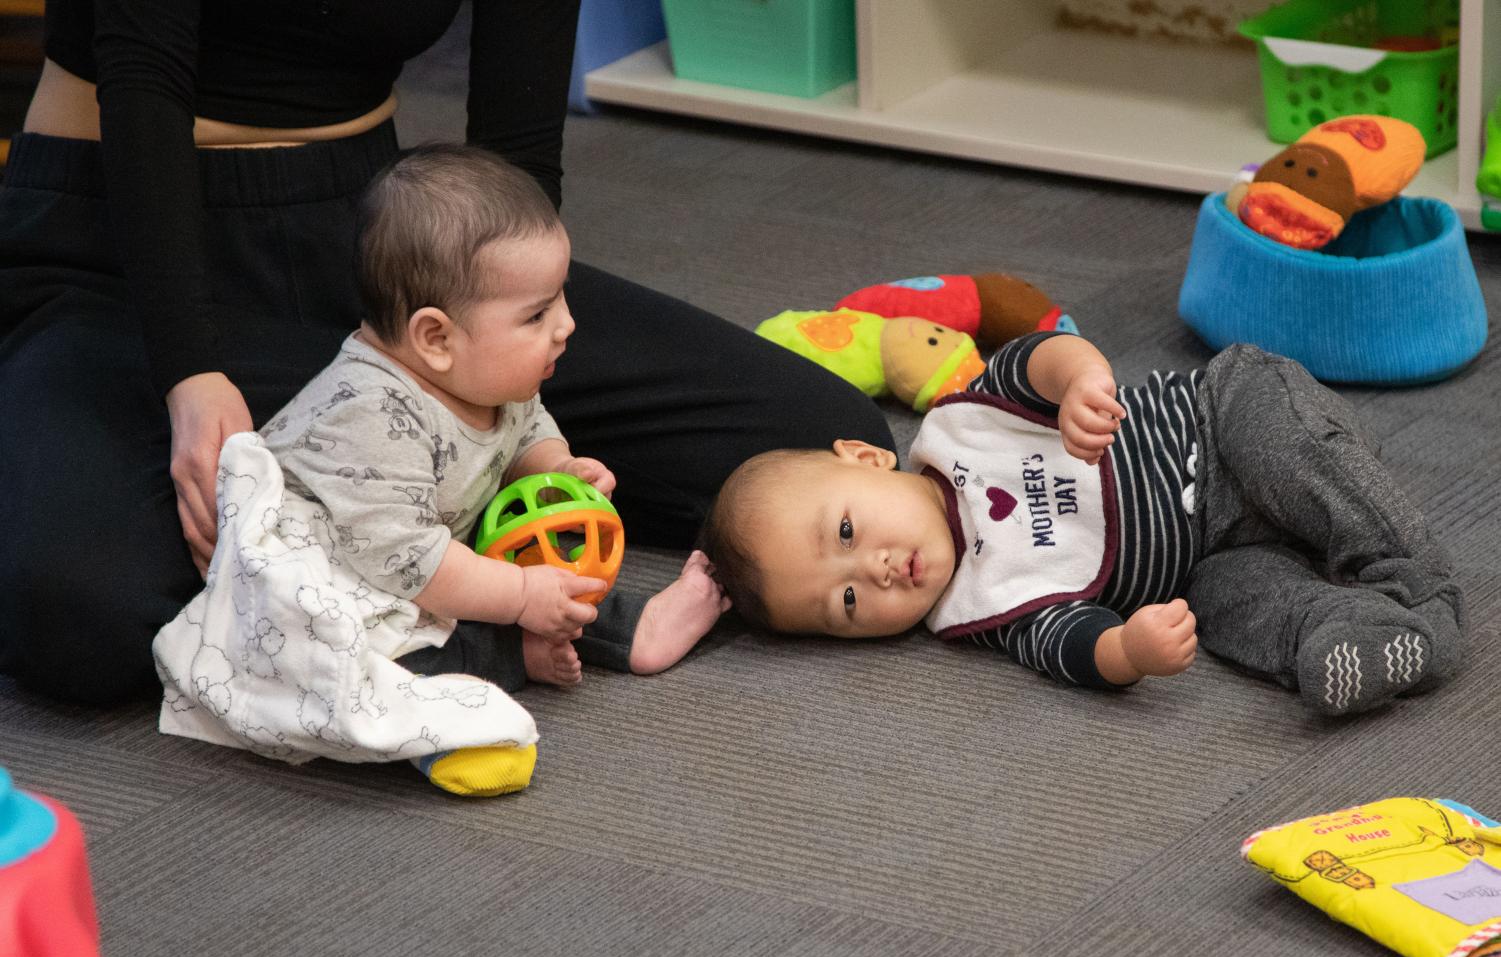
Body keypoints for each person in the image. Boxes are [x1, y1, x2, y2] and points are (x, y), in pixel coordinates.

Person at [0, 0, 892, 708]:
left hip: (391, 263)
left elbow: (517, 146)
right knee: (80, 614)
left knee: (824, 444)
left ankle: (389, 523)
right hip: (120, 247)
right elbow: (143, 77)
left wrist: (506, 371)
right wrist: (188, 371)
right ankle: (434, 561)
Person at [153, 144, 729, 796]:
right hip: (342, 580)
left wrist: (555, 468)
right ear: (435, 338)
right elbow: (406, 563)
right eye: (537, 314)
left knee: (549, 583)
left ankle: (630, 627)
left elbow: (525, 427)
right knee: (365, 664)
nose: (566, 325)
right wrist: (517, 600)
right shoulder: (371, 416)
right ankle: (470, 694)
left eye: (560, 298)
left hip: (423, 561)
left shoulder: (488, 372)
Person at [700, 332, 1467, 715]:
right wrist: (1127, 649)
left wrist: (1079, 383)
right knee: (1240, 610)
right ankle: (1360, 638)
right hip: (1207, 557)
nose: (870, 571)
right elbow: (1066, 644)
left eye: (844, 534)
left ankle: (1419, 587)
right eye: (844, 607)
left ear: (865, 459)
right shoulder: (982, 609)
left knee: (1293, 454)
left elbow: (1038, 358)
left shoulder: (965, 425)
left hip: (1221, 423)